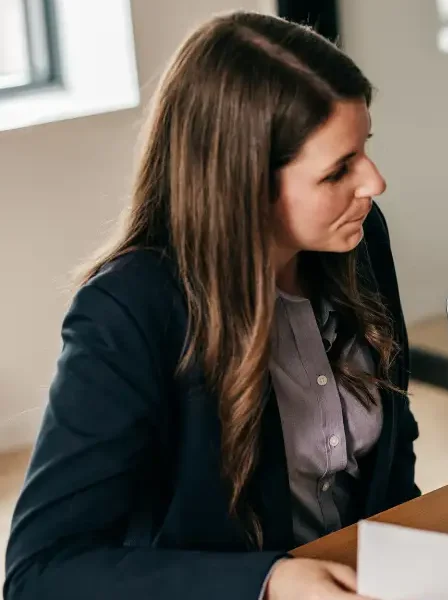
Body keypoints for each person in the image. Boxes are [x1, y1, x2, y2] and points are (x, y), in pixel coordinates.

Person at [4, 11, 419, 600]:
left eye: (365, 148)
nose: (373, 183)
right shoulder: (129, 310)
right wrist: (268, 582)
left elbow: (390, 451)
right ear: (243, 183)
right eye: (337, 171)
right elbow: (39, 573)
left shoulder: (357, 237)